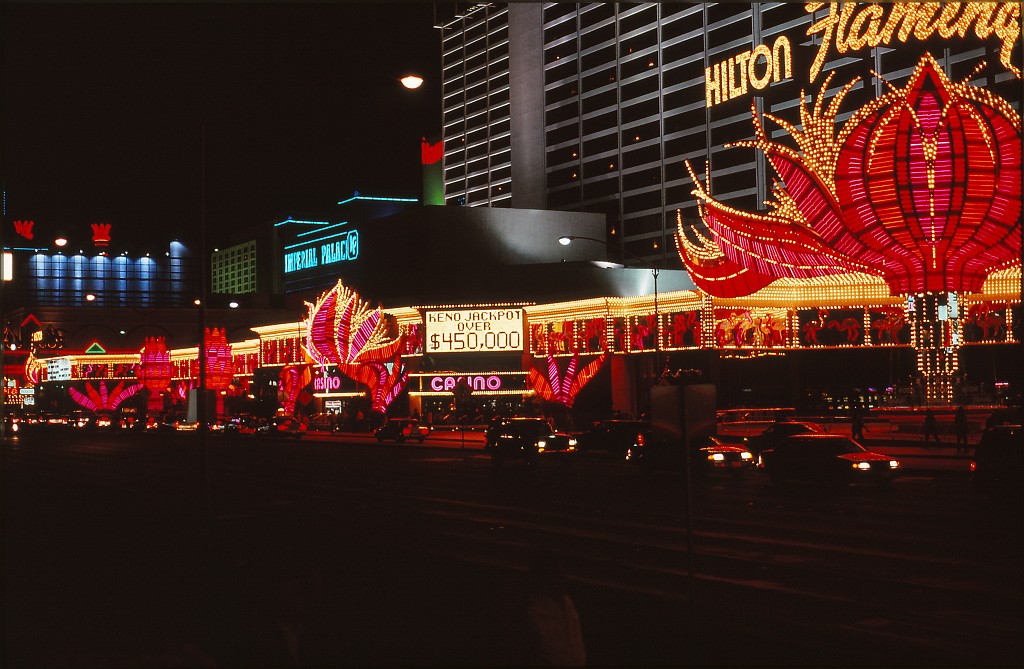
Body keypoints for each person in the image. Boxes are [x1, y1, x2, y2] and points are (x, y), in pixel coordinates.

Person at [517, 552, 586, 667]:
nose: (564, 578)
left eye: (564, 572)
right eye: (557, 573)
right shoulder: (533, 613)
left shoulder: (568, 604)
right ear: (543, 578)